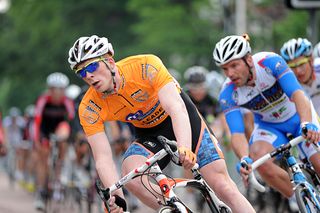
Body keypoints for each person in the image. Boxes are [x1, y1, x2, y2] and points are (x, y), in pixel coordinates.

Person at [67, 35, 255, 213]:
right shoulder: (89, 107)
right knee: (131, 174)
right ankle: (175, 208)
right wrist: (115, 196)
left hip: (184, 121)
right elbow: (102, 157)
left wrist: (184, 146)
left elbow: (176, 108)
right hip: (149, 134)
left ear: (108, 61)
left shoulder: (144, 66)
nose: (88, 76)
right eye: (81, 72)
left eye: (91, 67)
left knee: (223, 186)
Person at [213, 34, 320, 210]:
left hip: (297, 116)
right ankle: (299, 199)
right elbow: (237, 133)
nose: (230, 73)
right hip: (269, 126)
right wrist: (244, 157)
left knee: (317, 162)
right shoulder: (227, 93)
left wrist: (307, 123)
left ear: (248, 59)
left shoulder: (270, 62)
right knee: (258, 159)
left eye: (234, 65)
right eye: (224, 69)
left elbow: (297, 94)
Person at [33, 72, 75, 210]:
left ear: (64, 90)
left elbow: (72, 120)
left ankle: (60, 165)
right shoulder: (43, 100)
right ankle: (40, 191)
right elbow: (37, 122)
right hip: (45, 130)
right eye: (54, 89)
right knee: (43, 158)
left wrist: (72, 138)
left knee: (63, 134)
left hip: (59, 129)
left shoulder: (67, 101)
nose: (57, 93)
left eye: (61, 89)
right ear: (49, 89)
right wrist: (37, 140)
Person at [280, 38, 320, 115]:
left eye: (301, 64)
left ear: (311, 60)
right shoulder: (288, 86)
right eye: (292, 66)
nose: (298, 71)